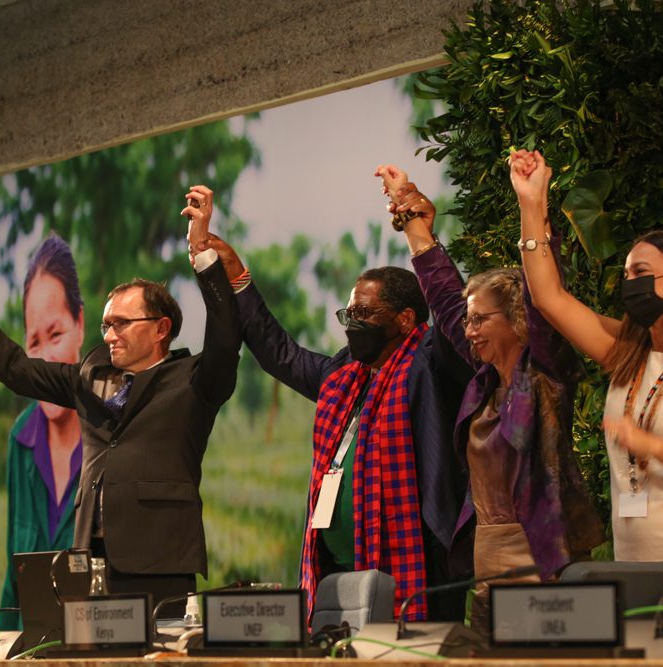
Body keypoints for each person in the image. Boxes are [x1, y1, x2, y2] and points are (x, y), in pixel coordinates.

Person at [0, 186, 240, 609]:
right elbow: (15, 369)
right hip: (88, 566)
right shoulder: (88, 378)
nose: (109, 335)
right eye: (106, 325)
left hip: (159, 566)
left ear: (161, 328)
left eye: (122, 323)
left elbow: (226, 337)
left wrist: (202, 252)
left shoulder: (193, 382)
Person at [196, 233, 473, 623]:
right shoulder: (344, 374)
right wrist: (237, 276)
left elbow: (454, 322)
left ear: (405, 319)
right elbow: (280, 354)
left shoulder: (430, 364)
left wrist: (420, 238)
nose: (352, 325)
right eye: (349, 314)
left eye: (365, 313)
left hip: (418, 566)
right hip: (339, 573)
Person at [376, 165, 603, 634]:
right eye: (470, 320)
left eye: (481, 319)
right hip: (486, 558)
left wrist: (531, 205)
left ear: (517, 320)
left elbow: (543, 299)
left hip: (542, 554)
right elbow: (444, 298)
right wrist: (411, 216)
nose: (469, 329)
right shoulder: (484, 382)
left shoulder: (543, 372)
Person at [509, 150, 663, 561]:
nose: (629, 283)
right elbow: (549, 299)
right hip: (637, 561)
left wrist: (650, 445)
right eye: (626, 274)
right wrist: (531, 204)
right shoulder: (630, 354)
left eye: (641, 273)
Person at [0, 234, 85, 631]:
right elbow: (13, 582)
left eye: (56, 335)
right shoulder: (20, 440)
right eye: (34, 342)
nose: (45, 358)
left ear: (80, 325)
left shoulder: (110, 433)